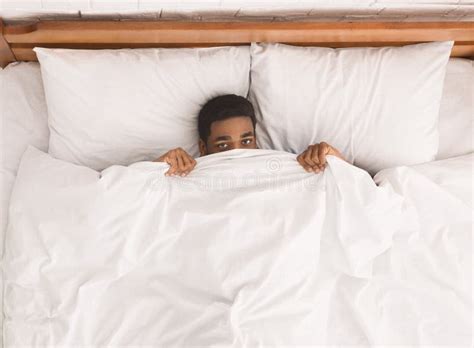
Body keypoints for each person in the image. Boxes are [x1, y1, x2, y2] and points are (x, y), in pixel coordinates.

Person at [155, 94, 346, 176]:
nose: (237, 153)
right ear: (203, 148)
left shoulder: (288, 169)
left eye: (246, 141)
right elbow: (129, 199)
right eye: (223, 145)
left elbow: (364, 193)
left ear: (256, 142)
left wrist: (331, 159)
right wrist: (157, 167)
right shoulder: (185, 175)